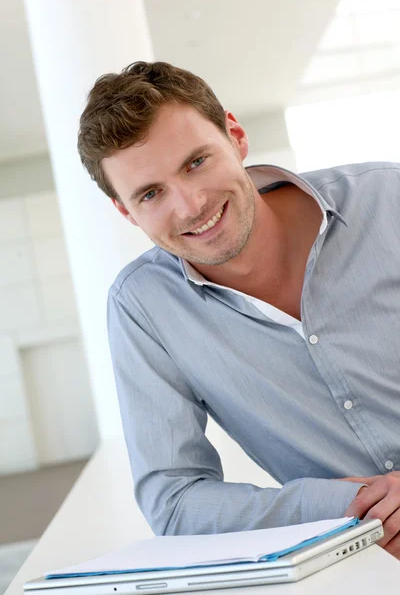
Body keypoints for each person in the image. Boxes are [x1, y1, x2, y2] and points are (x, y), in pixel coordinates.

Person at [77, 61, 400, 558]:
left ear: (236, 136)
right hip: (369, 563)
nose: (189, 206)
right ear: (126, 211)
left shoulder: (388, 200)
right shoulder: (144, 307)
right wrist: (354, 505)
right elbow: (175, 502)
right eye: (150, 193)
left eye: (195, 163)